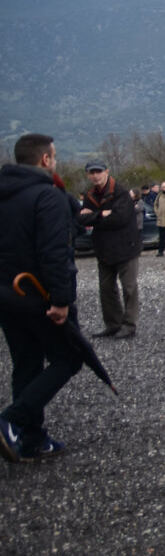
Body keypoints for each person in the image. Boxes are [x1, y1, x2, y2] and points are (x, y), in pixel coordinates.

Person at [0, 133, 83, 461]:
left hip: (5, 296)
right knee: (68, 358)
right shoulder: (48, 196)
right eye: (55, 156)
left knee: (26, 362)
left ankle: (31, 438)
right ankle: (12, 420)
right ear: (45, 159)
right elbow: (54, 252)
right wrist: (61, 300)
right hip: (37, 295)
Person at [79, 160, 142, 339]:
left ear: (106, 171)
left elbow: (119, 219)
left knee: (129, 287)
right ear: (87, 175)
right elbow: (81, 219)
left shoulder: (121, 192)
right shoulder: (90, 195)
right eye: (92, 172)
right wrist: (103, 214)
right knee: (106, 288)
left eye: (98, 171)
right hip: (104, 248)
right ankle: (113, 324)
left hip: (126, 246)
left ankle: (129, 325)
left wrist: (94, 216)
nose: (95, 175)